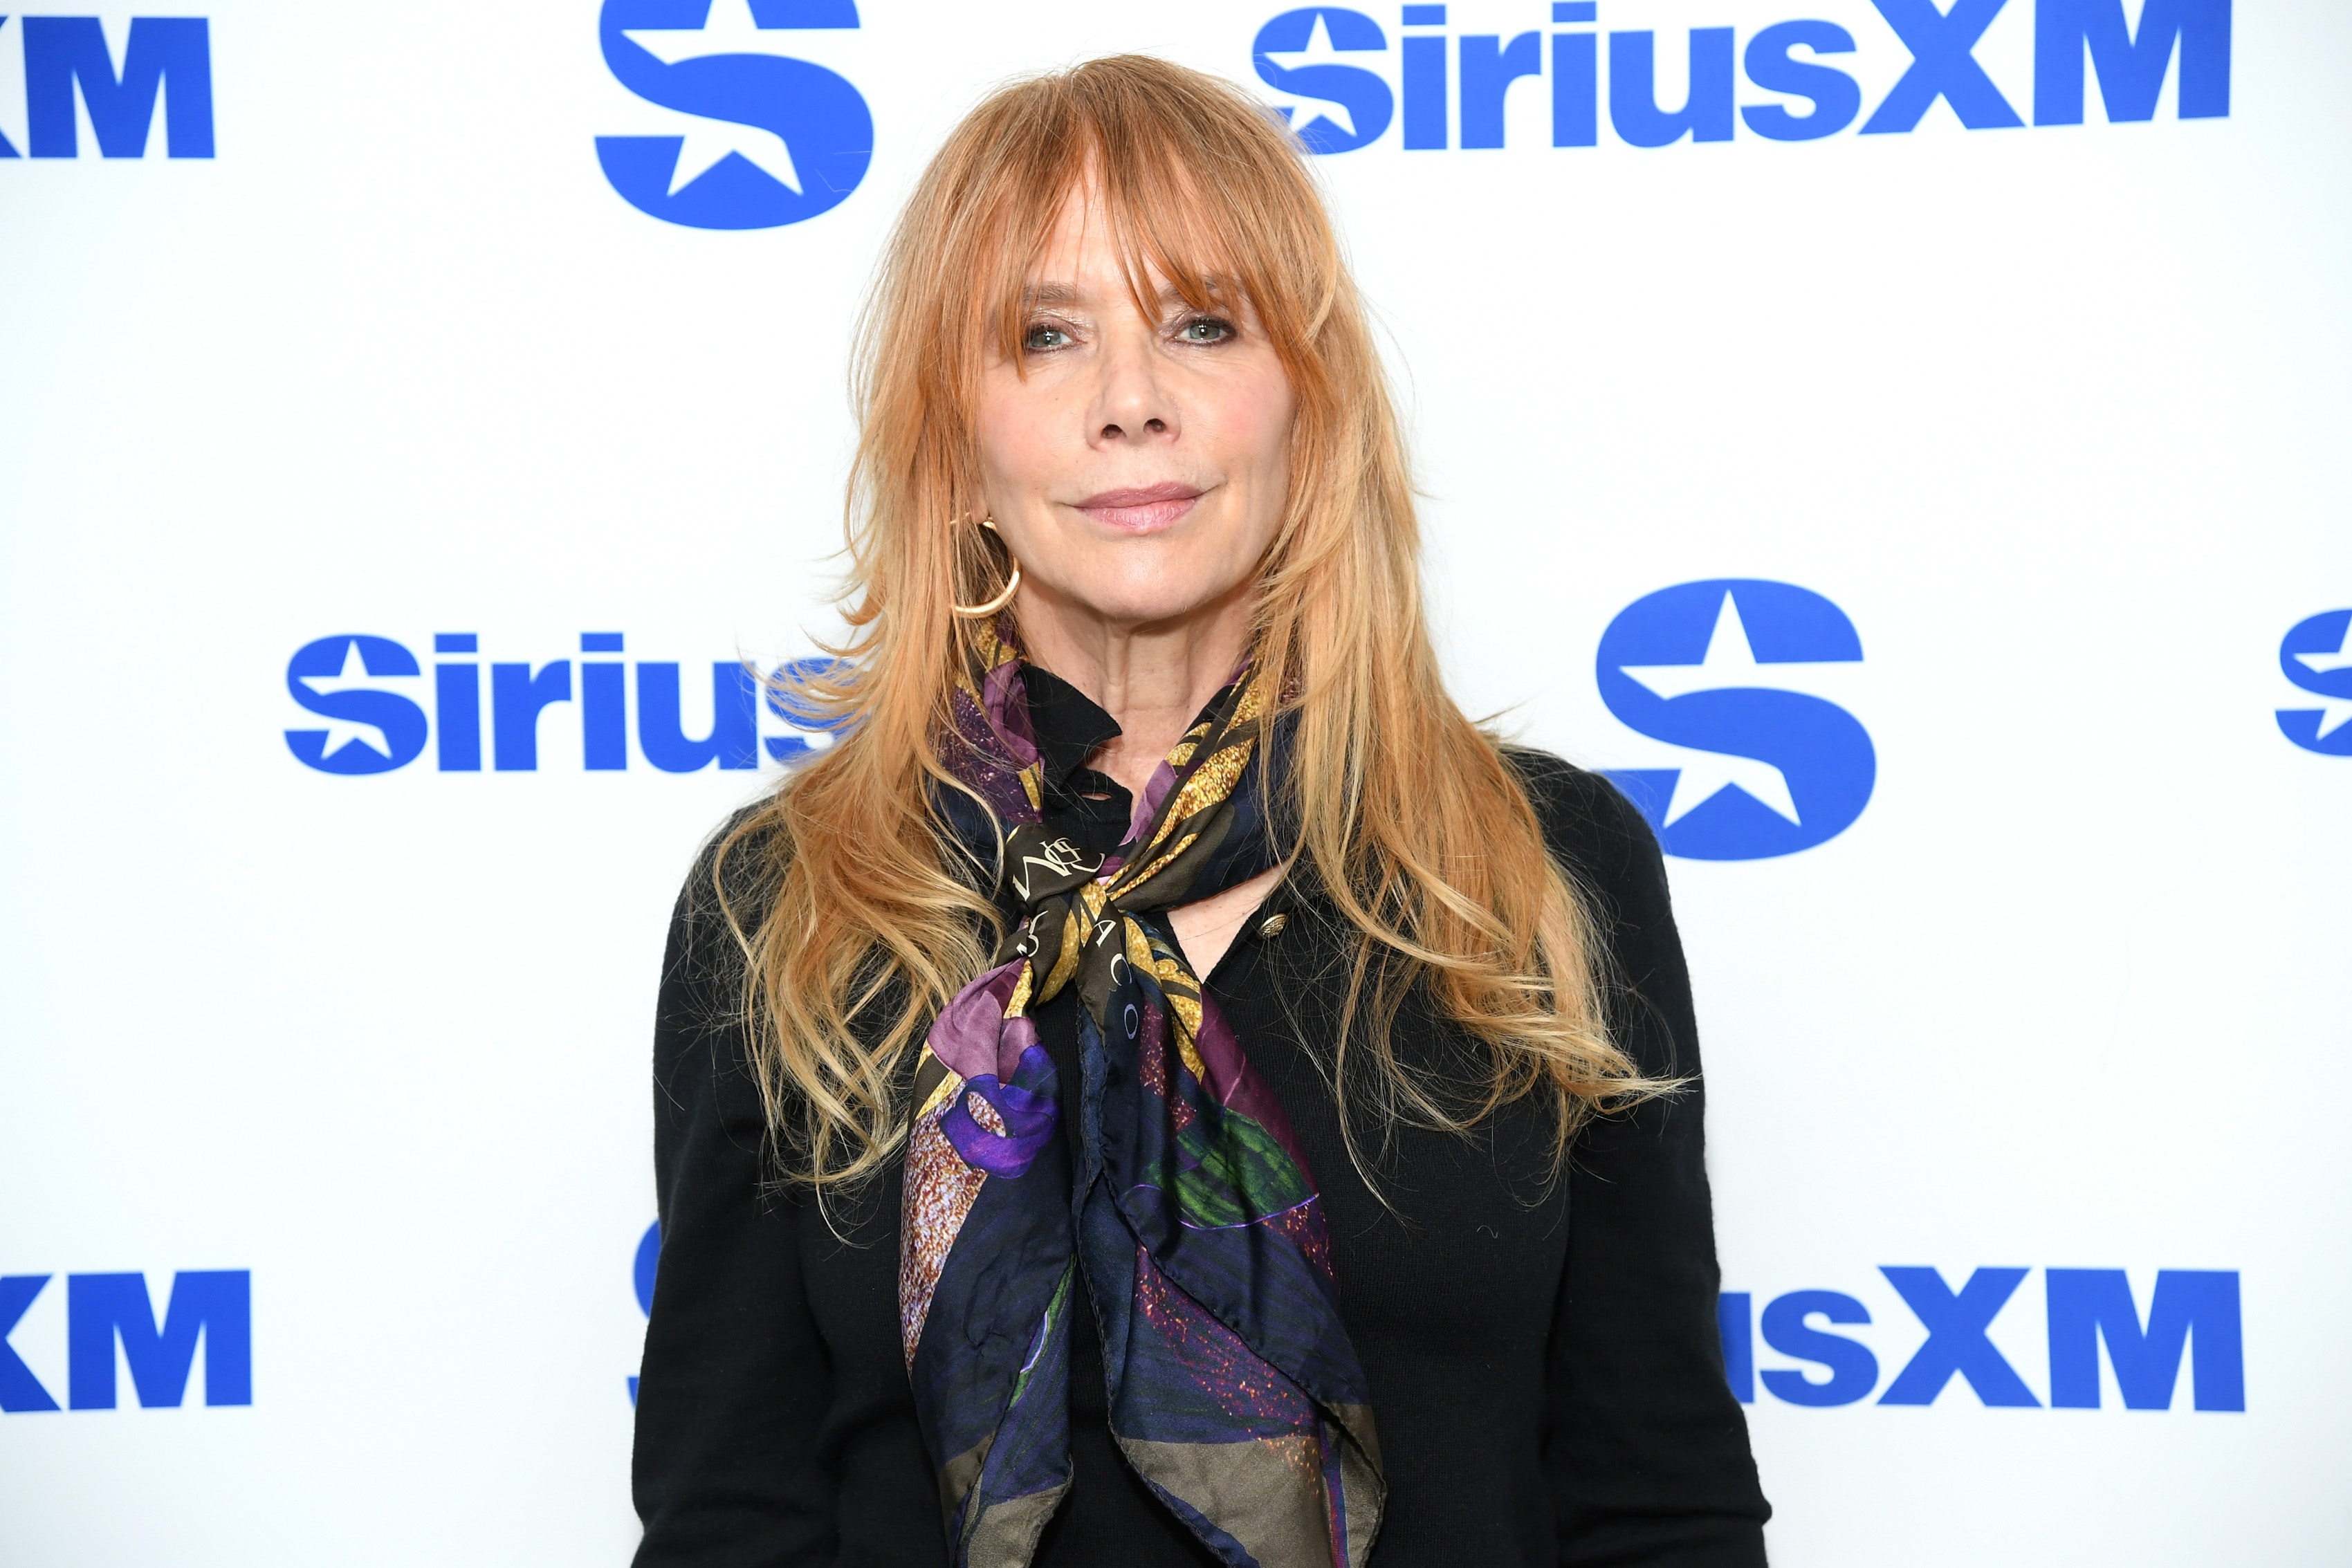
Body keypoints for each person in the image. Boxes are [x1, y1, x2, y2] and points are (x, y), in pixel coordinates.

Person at [631, 55, 1769, 1568]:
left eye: (1202, 324)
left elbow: (1658, 1502)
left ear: (1310, 408)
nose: (1130, 403)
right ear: (954, 444)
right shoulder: (792, 900)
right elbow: (729, 1518)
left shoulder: (1544, 870)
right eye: (1045, 336)